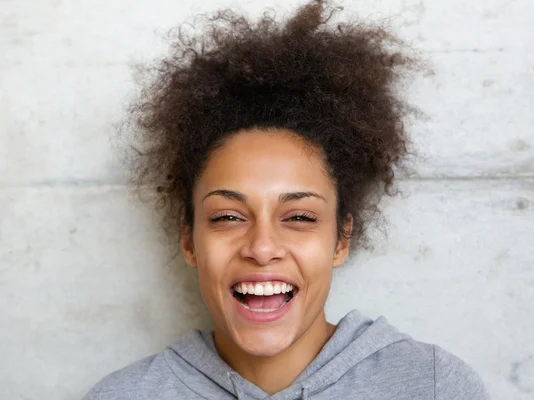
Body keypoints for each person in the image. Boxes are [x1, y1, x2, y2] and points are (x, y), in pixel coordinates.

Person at [85, 1, 489, 398]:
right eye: (228, 217)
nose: (262, 248)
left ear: (341, 239)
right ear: (189, 240)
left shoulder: (434, 386)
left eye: (298, 216)